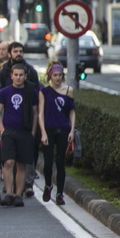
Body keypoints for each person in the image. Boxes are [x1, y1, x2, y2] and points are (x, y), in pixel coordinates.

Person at [0, 64, 38, 207]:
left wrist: (32, 132)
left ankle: (18, 194)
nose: (18, 77)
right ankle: (8, 193)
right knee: (8, 162)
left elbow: (35, 113)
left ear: (25, 76)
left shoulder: (31, 91)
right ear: (11, 75)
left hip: (24, 131)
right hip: (9, 132)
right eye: (16, 74)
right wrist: (2, 130)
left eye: (21, 75)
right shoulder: (4, 92)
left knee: (21, 164)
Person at [38, 62, 75, 206]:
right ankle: (48, 185)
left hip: (63, 130)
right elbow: (40, 113)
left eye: (60, 75)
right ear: (50, 76)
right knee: (48, 163)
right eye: (55, 75)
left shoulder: (68, 90)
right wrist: (43, 132)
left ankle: (60, 193)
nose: (57, 78)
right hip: (48, 129)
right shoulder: (44, 92)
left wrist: (71, 130)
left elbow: (72, 112)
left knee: (60, 162)